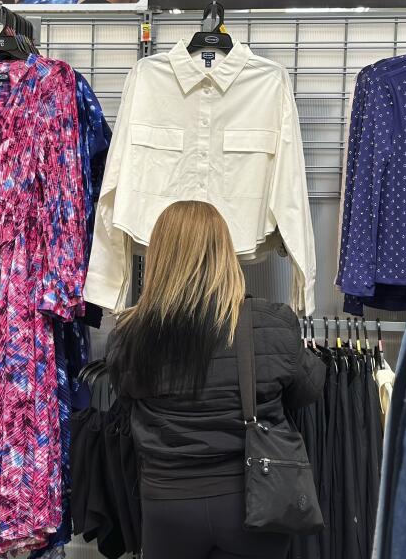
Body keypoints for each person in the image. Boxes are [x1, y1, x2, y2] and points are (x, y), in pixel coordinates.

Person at [107, 200, 326, 559]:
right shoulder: (270, 322)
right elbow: (309, 389)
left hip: (167, 504)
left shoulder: (129, 335)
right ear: (225, 252)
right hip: (253, 498)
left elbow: (127, 399)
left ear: (159, 257)